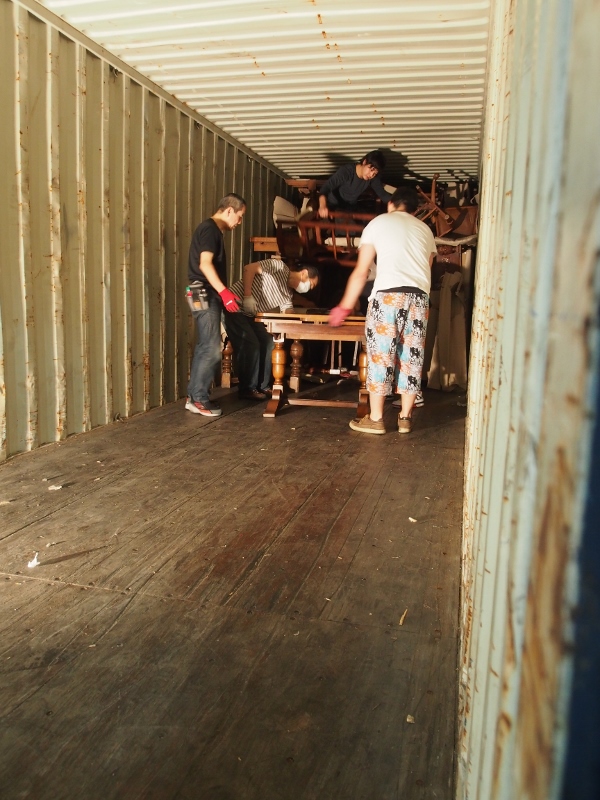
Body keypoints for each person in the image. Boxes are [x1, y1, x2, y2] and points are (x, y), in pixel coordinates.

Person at [329, 187, 437, 435]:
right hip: (419, 298)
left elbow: (362, 271)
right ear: (414, 210)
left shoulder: (378, 223)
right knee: (411, 357)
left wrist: (345, 306)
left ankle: (376, 419)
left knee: (381, 355)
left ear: (391, 204)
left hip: (388, 296)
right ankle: (405, 418)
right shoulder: (425, 229)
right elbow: (427, 268)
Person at [185, 193, 246, 417]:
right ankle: (198, 399)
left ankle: (194, 396)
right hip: (203, 291)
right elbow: (205, 264)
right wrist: (224, 292)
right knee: (211, 347)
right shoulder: (210, 229)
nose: (239, 222)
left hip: (198, 291)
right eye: (240, 216)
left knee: (207, 345)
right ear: (229, 210)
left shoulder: (212, 230)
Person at [224, 259, 320, 399]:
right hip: (234, 306)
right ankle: (247, 388)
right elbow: (249, 268)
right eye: (310, 284)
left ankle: (263, 386)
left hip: (250, 315)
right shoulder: (279, 266)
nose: (308, 289)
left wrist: (297, 318)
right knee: (252, 344)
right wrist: (247, 296)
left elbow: (287, 310)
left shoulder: (288, 294)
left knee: (269, 343)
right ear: (304, 273)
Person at [318, 150, 392, 219]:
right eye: (371, 169)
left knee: (369, 221)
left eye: (375, 173)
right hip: (334, 206)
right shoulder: (347, 171)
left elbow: (382, 194)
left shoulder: (372, 178)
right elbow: (325, 188)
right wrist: (322, 206)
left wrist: (395, 205)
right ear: (364, 162)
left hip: (350, 208)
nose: (371, 175)